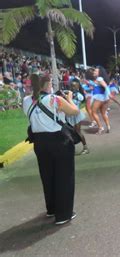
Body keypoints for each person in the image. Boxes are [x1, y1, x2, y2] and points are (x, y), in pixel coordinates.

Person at [23, 74, 79, 225]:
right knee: (64, 177)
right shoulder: (55, 99)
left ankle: (52, 209)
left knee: (47, 176)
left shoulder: (26, 100)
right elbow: (74, 111)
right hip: (59, 140)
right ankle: (64, 214)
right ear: (48, 85)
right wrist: (70, 98)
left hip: (40, 142)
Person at [66, 79, 90, 154]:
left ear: (77, 87)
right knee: (70, 132)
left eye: (74, 86)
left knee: (78, 131)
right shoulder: (69, 94)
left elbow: (77, 99)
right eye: (71, 86)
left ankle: (85, 148)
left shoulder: (79, 95)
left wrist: (70, 96)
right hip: (69, 115)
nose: (72, 87)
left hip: (76, 115)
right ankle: (72, 148)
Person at [86, 67, 110, 134]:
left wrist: (108, 95)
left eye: (96, 71)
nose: (94, 72)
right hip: (102, 97)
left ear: (99, 73)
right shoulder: (98, 79)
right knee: (103, 113)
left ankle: (100, 127)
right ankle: (108, 126)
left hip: (99, 98)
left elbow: (105, 86)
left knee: (93, 112)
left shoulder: (99, 78)